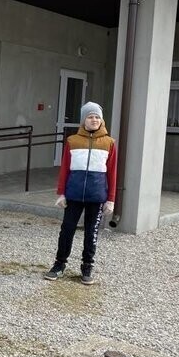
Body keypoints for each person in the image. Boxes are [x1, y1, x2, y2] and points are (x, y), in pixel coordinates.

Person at [45, 102, 117, 285]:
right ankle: (59, 265)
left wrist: (111, 199)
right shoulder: (72, 141)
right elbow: (64, 170)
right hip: (74, 195)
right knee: (67, 230)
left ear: (101, 120)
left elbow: (112, 173)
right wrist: (61, 193)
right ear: (83, 119)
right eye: (90, 116)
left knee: (91, 233)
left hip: (97, 196)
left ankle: (87, 267)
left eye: (97, 117)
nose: (94, 120)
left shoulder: (109, 143)